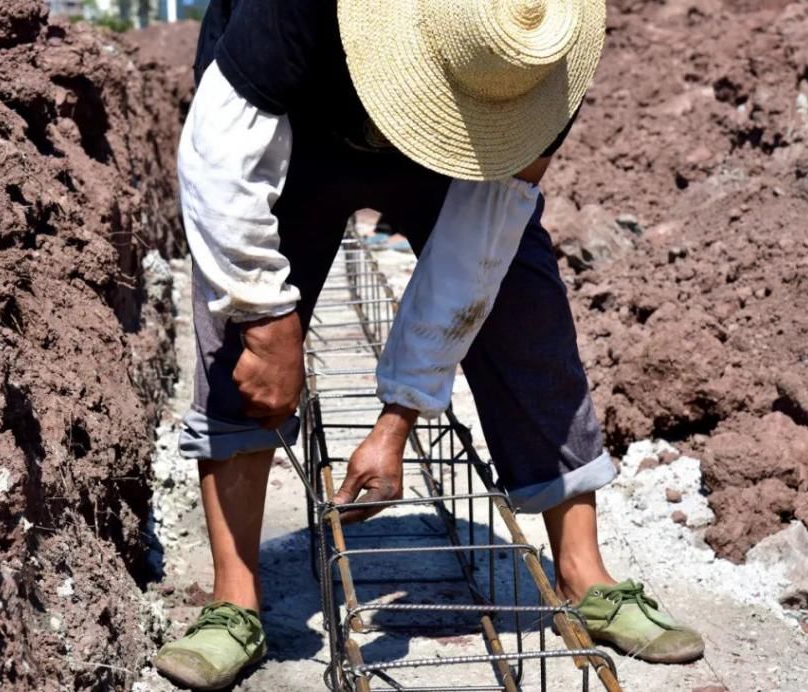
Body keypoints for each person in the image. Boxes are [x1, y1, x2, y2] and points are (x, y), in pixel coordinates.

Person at [153, 0, 705, 688]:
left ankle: (583, 572)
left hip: (459, 144)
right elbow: (218, 165)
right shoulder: (291, 12)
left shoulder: (545, 49)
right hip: (294, 126)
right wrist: (265, 320)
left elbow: (479, 252)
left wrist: (398, 418)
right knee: (235, 338)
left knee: (525, 308)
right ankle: (235, 598)